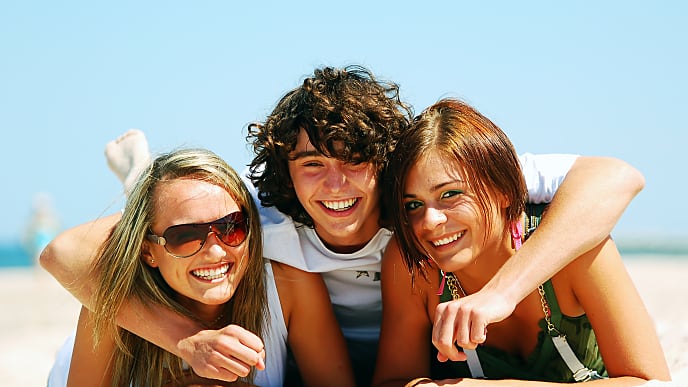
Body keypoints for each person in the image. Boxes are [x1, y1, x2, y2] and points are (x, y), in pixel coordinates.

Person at [41, 66, 646, 386]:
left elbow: (616, 176)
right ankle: (143, 188)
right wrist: (182, 339)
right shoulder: (255, 220)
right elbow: (65, 251)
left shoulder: (428, 203)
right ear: (286, 173)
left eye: (355, 160)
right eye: (312, 165)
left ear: (385, 159)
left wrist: (502, 290)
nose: (335, 186)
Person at [372, 99, 670, 386]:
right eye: (413, 205)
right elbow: (392, 381)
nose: (429, 221)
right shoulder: (415, 263)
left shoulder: (576, 250)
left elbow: (651, 383)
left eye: (450, 194)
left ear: (505, 192)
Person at [46, 148, 354, 387]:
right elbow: (59, 251)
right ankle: (138, 185)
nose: (216, 250)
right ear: (148, 251)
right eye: (185, 236)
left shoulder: (286, 284)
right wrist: (188, 341)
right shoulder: (115, 300)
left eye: (231, 227)